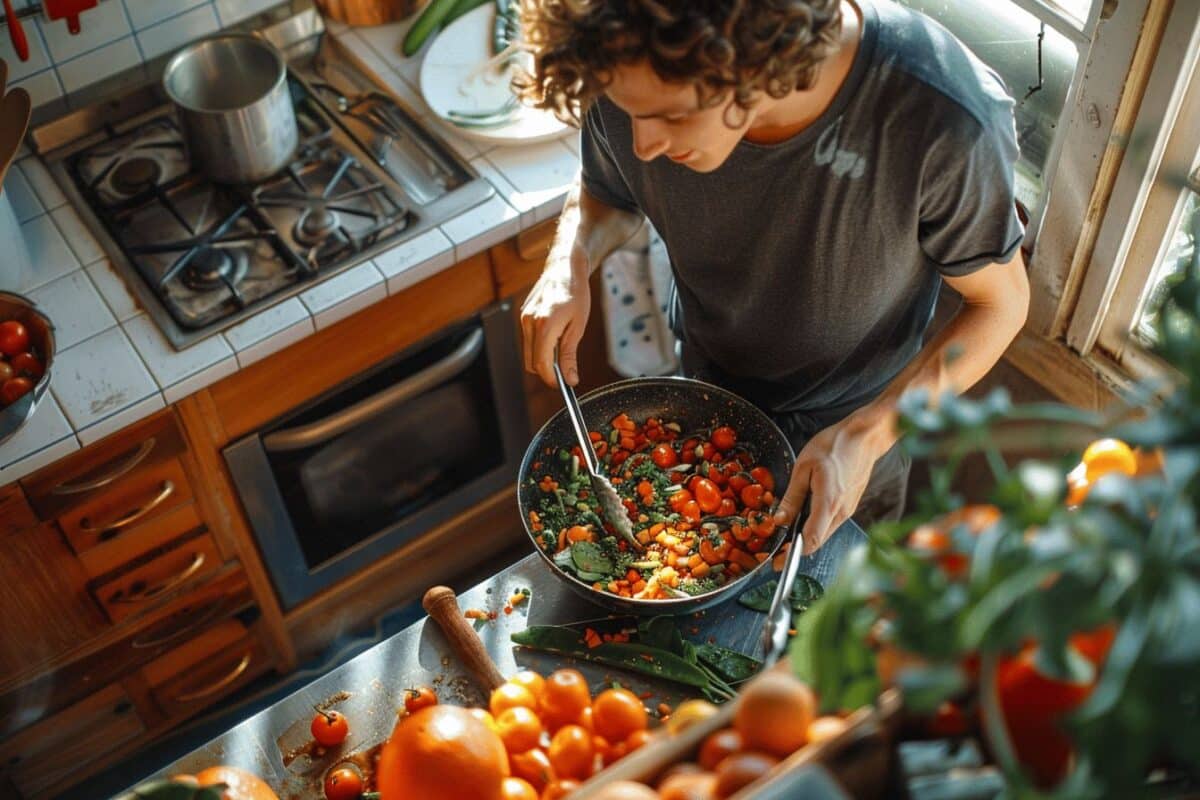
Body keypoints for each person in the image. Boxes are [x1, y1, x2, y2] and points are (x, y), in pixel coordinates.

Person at [516, 0, 1031, 560]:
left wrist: (869, 434)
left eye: (670, 115)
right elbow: (608, 190)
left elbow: (1000, 306)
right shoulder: (627, 53)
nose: (646, 144)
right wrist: (569, 260)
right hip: (703, 403)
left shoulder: (942, 119)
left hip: (854, 433)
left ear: (754, 58)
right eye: (626, 111)